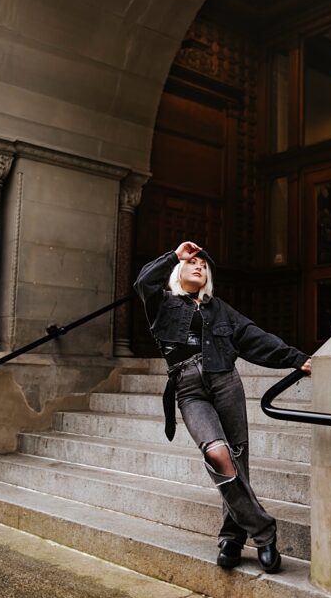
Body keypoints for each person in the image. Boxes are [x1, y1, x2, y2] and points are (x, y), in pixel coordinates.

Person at [133, 241, 311, 574]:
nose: (198, 265)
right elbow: (143, 281)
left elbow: (253, 336)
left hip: (225, 380)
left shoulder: (219, 309)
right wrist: (175, 254)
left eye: (203, 264)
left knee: (237, 457)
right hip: (188, 389)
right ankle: (263, 531)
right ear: (179, 270)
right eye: (192, 262)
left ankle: (231, 536)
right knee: (217, 453)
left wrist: (298, 360)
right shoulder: (160, 303)